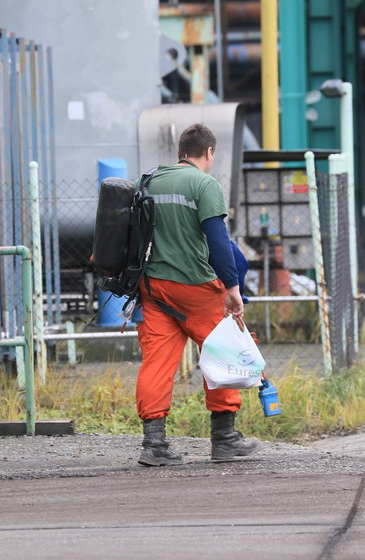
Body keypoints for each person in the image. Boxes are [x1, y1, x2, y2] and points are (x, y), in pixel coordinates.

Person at [136, 123, 262, 467]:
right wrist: (233, 288)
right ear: (209, 153)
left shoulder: (148, 181)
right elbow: (219, 242)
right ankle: (224, 439)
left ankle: (154, 444)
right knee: (224, 352)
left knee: (157, 363)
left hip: (153, 287)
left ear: (181, 151)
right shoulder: (205, 184)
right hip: (195, 287)